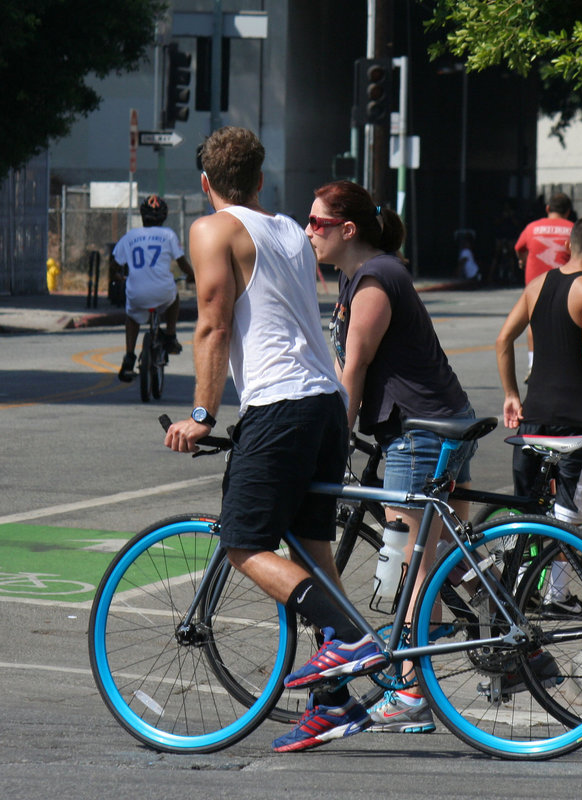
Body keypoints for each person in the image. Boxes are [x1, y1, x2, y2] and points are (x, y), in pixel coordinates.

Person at [164, 128, 388, 754]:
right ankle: (334, 702)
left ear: (207, 184)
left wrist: (203, 413)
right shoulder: (289, 228)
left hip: (280, 404)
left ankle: (351, 636)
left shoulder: (214, 229)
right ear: (261, 181)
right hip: (323, 407)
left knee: (243, 542)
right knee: (314, 550)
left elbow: (213, 321)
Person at [306, 180, 477, 734]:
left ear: (347, 230)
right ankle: (525, 653)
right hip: (426, 426)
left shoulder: (376, 280)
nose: (309, 231)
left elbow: (352, 371)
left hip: (420, 433)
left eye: (318, 223)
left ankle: (407, 690)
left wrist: (333, 442)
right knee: (447, 561)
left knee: (414, 568)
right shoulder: (360, 275)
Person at [496, 217, 582, 613]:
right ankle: (558, 597)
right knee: (569, 513)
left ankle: (515, 589)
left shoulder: (536, 286)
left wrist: (512, 394)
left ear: (568, 244)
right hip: (574, 421)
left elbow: (502, 340)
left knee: (529, 510)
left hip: (534, 417)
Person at [113, 194, 194, 382]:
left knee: (132, 318)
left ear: (142, 216)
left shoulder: (130, 236)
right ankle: (171, 336)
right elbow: (182, 262)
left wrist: (120, 277)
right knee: (174, 297)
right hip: (162, 291)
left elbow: (114, 266)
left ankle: (129, 357)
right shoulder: (168, 235)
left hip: (136, 293)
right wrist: (193, 276)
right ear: (164, 217)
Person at [514, 192, 574, 381]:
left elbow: (519, 248)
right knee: (566, 325)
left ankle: (533, 365)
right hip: (564, 283)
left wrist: (523, 261)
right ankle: (564, 367)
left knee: (534, 323)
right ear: (568, 211)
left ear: (548, 209)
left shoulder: (532, 228)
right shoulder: (573, 229)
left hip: (535, 284)